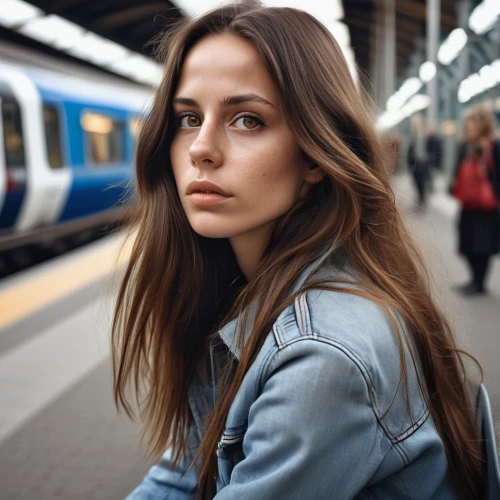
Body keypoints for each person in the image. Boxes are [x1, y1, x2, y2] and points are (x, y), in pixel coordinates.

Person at [112, 2, 484, 499]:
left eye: (246, 120)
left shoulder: (322, 355)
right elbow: (183, 473)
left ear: (315, 156)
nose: (201, 147)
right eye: (187, 117)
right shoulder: (238, 290)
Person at [450, 106, 500, 296]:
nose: (469, 126)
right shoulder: (465, 145)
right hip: (468, 203)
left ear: (483, 124)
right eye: (468, 122)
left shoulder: (493, 145)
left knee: (483, 246)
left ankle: (479, 283)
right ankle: (474, 279)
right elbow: (457, 169)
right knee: (466, 243)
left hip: (487, 206)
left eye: (473, 122)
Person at [407, 114, 430, 209]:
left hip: (421, 164)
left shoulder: (423, 135)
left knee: (421, 182)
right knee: (416, 182)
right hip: (415, 163)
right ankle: (420, 199)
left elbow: (428, 149)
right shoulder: (414, 136)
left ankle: (422, 200)